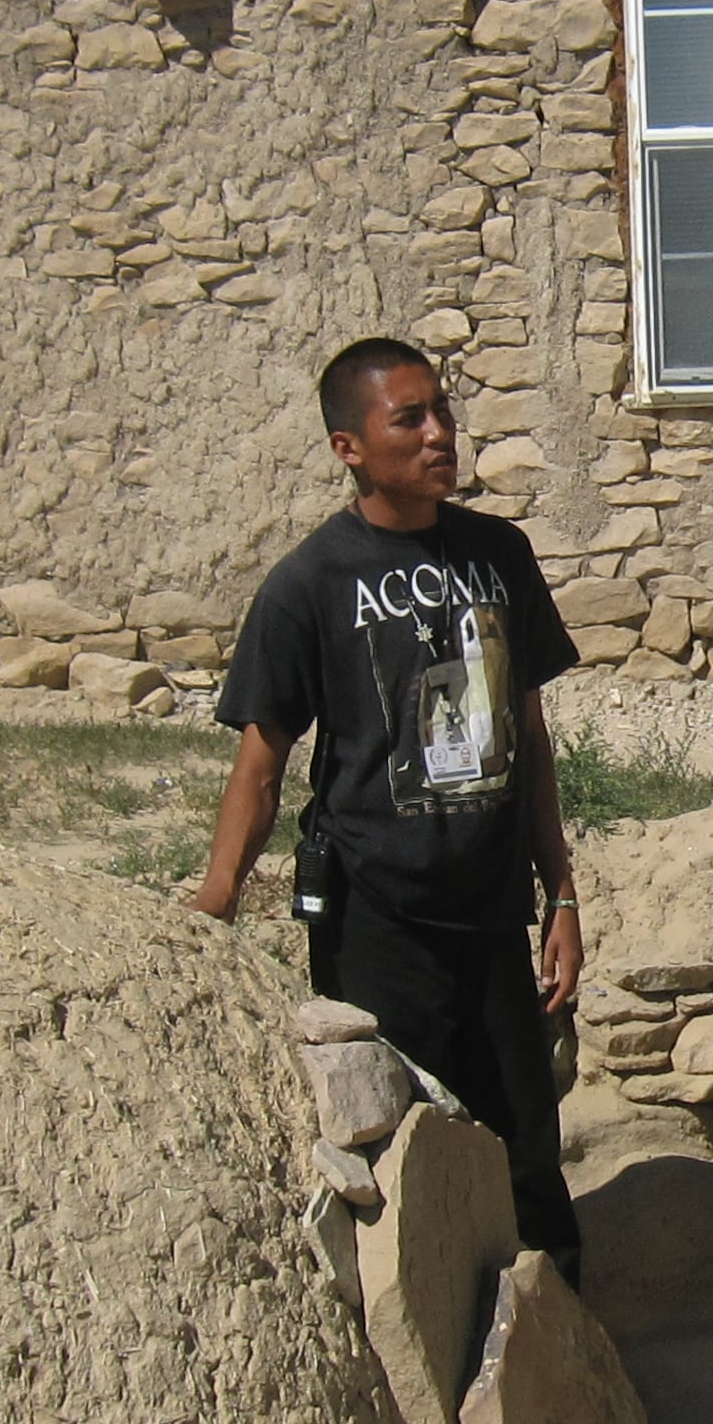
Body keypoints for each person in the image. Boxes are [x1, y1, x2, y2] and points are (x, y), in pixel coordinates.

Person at [191, 338, 585, 1279]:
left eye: (441, 410)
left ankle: (567, 1378)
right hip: (377, 923)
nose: (439, 433)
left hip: (492, 915)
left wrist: (560, 893)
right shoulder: (309, 584)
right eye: (409, 418)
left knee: (527, 1145)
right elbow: (260, 765)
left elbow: (527, 737)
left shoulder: (500, 555)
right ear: (348, 448)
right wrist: (214, 903)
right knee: (409, 1149)